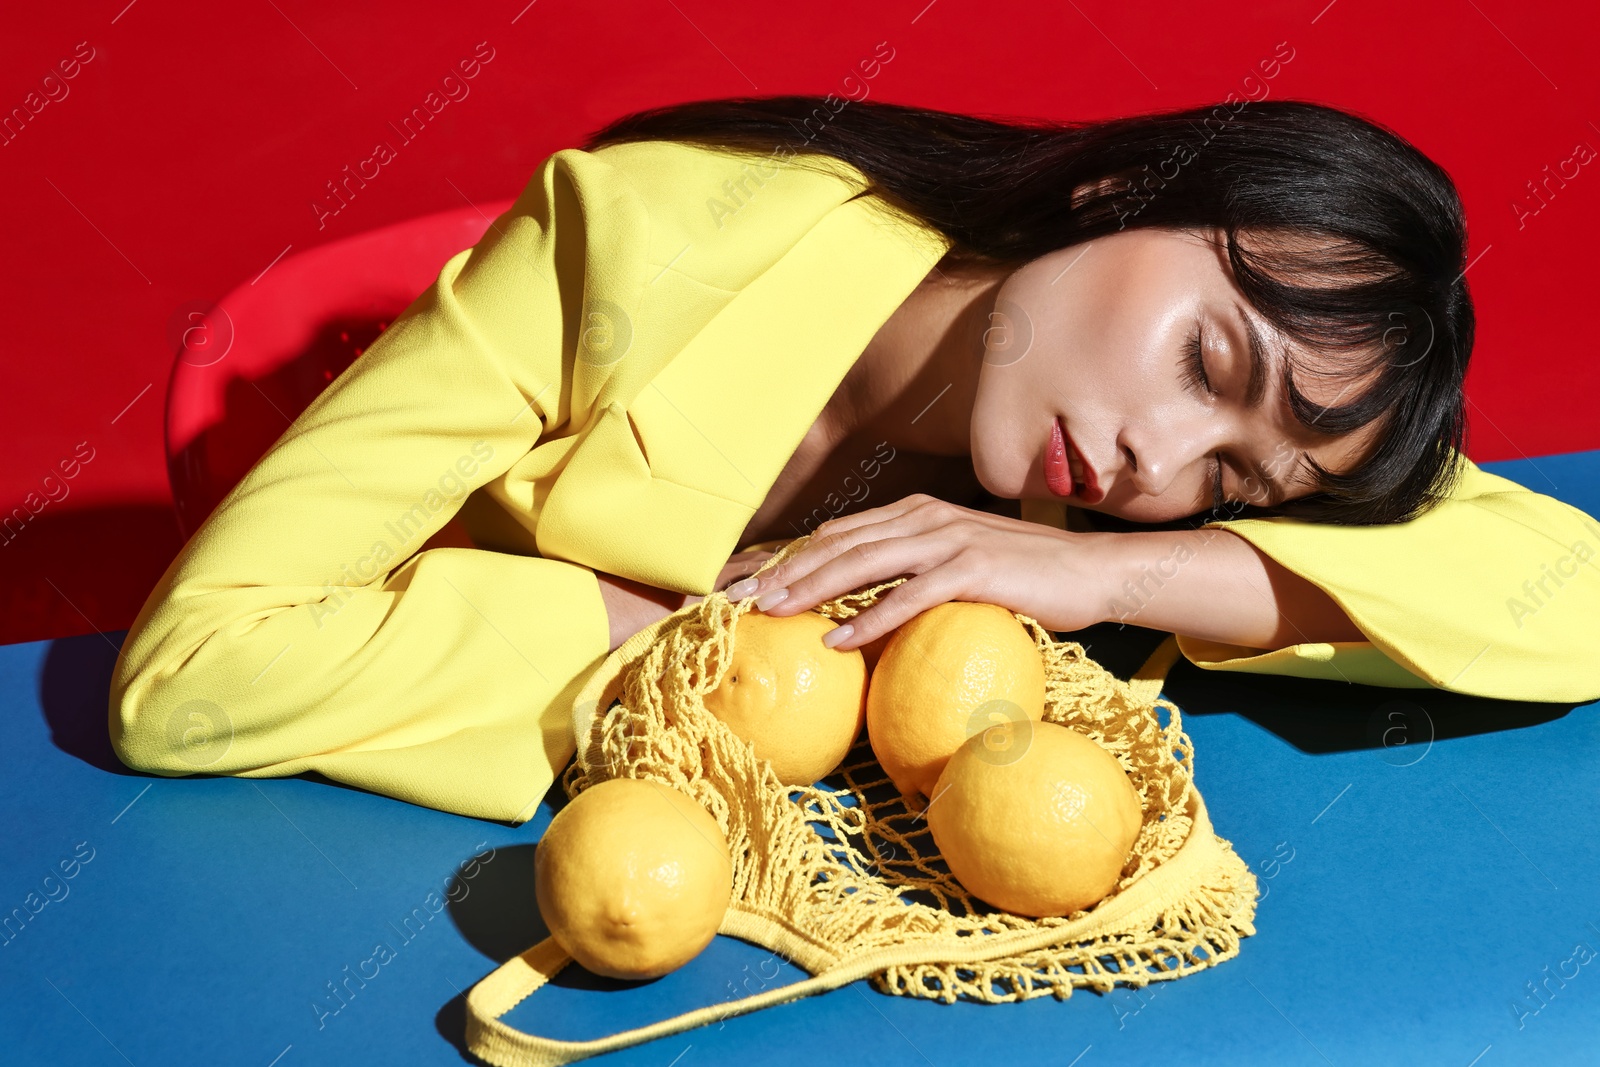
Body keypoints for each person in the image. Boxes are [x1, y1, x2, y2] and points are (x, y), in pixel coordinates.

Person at [108, 95, 1600, 823]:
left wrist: (1094, 567)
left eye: (1231, 479)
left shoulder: (1091, 506)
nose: (1161, 460)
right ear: (1118, 190)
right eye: (1210, 364)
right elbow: (191, 676)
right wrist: (670, 644)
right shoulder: (630, 241)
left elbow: (1575, 589)